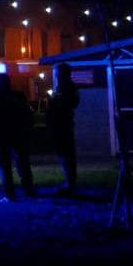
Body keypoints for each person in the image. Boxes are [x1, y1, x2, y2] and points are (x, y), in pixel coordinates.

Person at [0, 73, 36, 200]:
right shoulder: (18, 97)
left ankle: (9, 193)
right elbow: (27, 114)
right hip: (18, 134)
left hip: (1, 136)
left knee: (4, 165)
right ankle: (28, 189)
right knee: (22, 162)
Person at [47, 63, 80, 195]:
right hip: (60, 125)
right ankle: (69, 182)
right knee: (64, 153)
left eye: (58, 73)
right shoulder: (61, 87)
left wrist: (56, 103)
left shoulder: (68, 87)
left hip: (64, 125)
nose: (56, 75)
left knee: (67, 153)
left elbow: (73, 103)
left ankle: (70, 183)